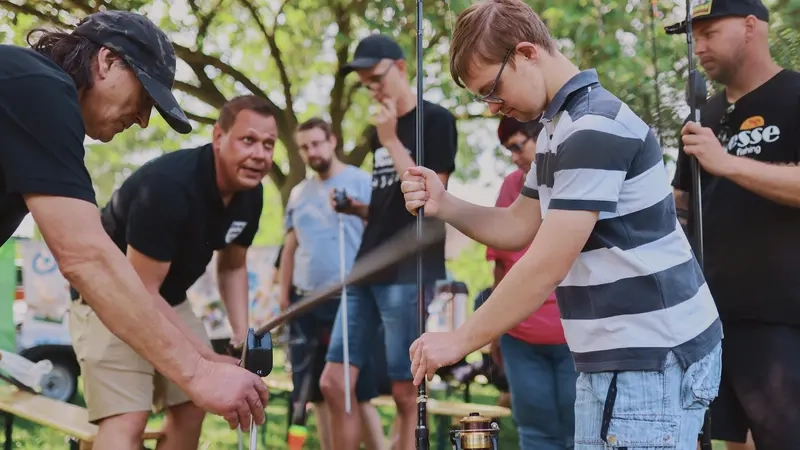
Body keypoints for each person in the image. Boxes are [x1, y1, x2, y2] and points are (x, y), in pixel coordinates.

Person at [400, 1, 723, 449]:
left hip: (650, 357)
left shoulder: (593, 126)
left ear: (527, 53)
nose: (494, 108)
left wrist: (460, 339)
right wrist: (446, 203)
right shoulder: (559, 128)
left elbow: (546, 263)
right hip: (613, 358)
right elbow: (518, 226)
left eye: (492, 89)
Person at [0, 10, 268, 431]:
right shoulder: (41, 88)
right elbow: (87, 257)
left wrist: (204, 360)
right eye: (144, 96)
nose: (143, 119)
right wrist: (198, 373)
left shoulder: (33, 99)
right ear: (106, 61)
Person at [68, 94, 274, 449]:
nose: (260, 154)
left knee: (195, 404)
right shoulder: (166, 189)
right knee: (127, 420)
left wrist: (241, 333)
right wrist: (205, 359)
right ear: (219, 137)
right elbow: (140, 290)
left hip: (168, 299)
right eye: (248, 140)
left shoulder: (251, 195)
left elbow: (232, 265)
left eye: (269, 145)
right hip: (110, 298)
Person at [667, 0, 800, 448]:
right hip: (710, 319)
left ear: (750, 27)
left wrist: (728, 163)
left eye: (709, 32)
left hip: (783, 318)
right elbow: (681, 207)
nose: (698, 46)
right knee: (727, 439)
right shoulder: (700, 116)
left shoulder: (796, 96)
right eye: (693, 36)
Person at [318, 34, 458, 450]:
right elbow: (390, 199)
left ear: (400, 67)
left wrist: (392, 139)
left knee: (404, 392)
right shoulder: (380, 127)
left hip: (408, 267)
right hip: (366, 263)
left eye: (376, 78)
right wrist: (359, 210)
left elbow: (431, 197)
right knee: (334, 381)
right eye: (364, 83)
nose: (373, 89)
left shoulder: (435, 121)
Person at [280, 117, 384, 450]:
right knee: (317, 392)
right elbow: (290, 246)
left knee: (356, 388)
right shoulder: (298, 193)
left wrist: (353, 208)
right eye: (305, 147)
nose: (312, 151)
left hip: (350, 298)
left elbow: (382, 227)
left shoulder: (361, 181)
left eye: (317, 143)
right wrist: (283, 296)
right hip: (306, 302)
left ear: (332, 140)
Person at [485, 116, 577, 450]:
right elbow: (500, 265)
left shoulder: (573, 178)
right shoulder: (512, 186)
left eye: (517, 145)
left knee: (579, 433)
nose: (513, 156)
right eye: (507, 149)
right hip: (521, 337)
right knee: (536, 434)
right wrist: (495, 329)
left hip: (573, 335)